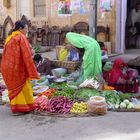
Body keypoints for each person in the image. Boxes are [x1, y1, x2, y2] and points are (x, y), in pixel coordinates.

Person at [1, 21, 40, 114]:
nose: (27, 30)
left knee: (14, 87)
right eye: (26, 28)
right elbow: (26, 53)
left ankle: (16, 108)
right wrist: (32, 53)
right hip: (18, 67)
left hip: (7, 66)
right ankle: (23, 108)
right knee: (22, 87)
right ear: (20, 29)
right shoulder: (21, 37)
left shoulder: (9, 37)